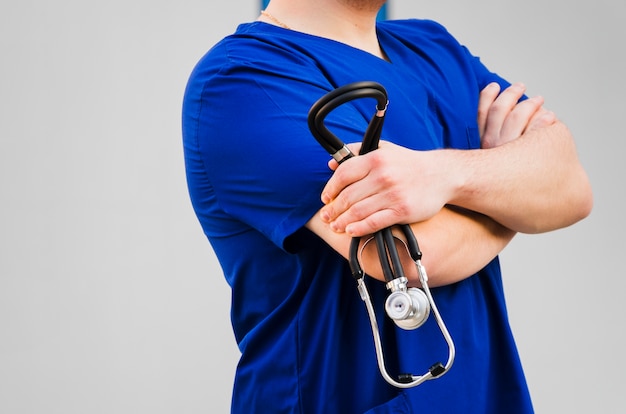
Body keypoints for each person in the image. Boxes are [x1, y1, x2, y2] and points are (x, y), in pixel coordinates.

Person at [181, 0, 593, 412]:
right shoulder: (243, 80)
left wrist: (446, 175)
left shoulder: (435, 48)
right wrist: (510, 200)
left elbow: (571, 188)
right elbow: (404, 256)